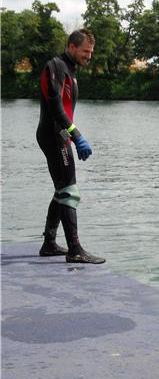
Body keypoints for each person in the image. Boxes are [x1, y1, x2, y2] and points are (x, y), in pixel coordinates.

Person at [36, 29, 104, 264]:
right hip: (52, 133)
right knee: (69, 191)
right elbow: (55, 107)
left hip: (60, 134)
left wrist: (71, 135)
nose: (89, 56)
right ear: (72, 47)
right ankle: (74, 249)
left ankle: (49, 243)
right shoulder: (55, 67)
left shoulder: (70, 70)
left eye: (91, 52)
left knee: (62, 189)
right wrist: (76, 135)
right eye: (86, 51)